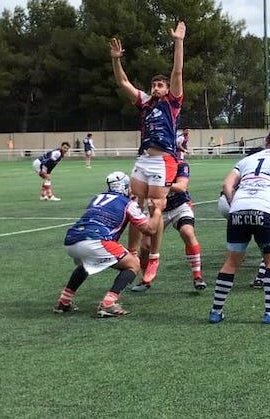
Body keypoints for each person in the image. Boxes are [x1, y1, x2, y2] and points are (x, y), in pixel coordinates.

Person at [110, 21, 185, 280]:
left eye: (160, 85)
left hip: (163, 160)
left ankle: (153, 257)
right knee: (133, 205)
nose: (157, 88)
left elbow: (177, 72)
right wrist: (116, 60)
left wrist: (178, 42)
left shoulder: (171, 103)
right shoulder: (145, 103)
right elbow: (123, 82)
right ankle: (131, 251)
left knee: (156, 207)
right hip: (143, 159)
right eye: (154, 85)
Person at [208, 130, 270, 325]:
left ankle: (216, 311)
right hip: (266, 210)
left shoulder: (248, 159)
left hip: (239, 210)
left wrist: (235, 206)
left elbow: (226, 184)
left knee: (231, 262)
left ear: (266, 142)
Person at [52, 171, 157, 317]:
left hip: (72, 239)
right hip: (96, 240)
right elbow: (150, 229)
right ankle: (108, 303)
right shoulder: (128, 203)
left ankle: (64, 301)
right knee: (133, 264)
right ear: (125, 187)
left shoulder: (97, 198)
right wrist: (156, 211)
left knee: (88, 263)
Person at [131, 159, 207, 292]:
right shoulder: (150, 165)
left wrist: (160, 184)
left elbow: (181, 187)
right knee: (145, 246)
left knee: (187, 232)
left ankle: (197, 277)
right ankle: (145, 280)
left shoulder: (180, 164)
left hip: (180, 206)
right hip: (157, 209)